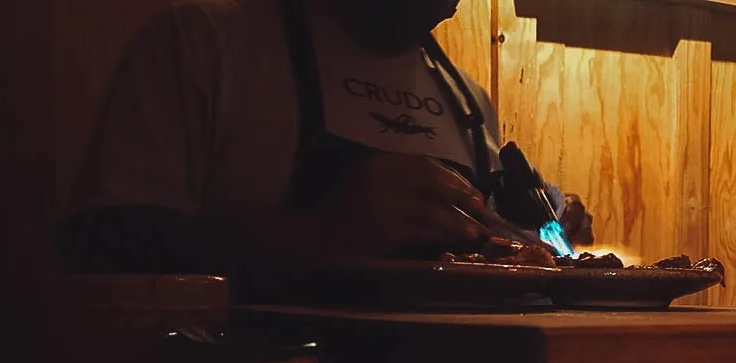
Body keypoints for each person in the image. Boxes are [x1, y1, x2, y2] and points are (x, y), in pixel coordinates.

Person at [59, 0, 594, 275]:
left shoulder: (467, 98)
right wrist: (321, 233)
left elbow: (483, 252)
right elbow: (103, 249)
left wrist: (531, 234)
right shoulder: (200, 45)